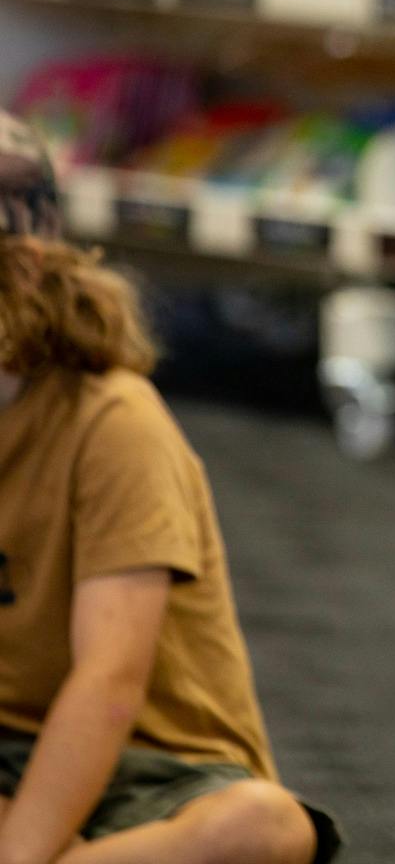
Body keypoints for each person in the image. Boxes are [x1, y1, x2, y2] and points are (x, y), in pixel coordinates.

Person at [0, 109, 339, 864]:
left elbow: (109, 682)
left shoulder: (113, 419)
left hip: (153, 767)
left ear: (23, 273)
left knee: (263, 827)